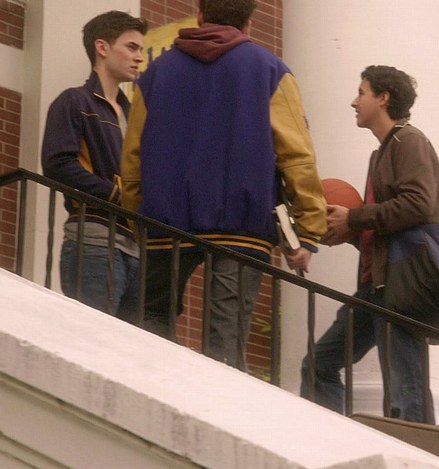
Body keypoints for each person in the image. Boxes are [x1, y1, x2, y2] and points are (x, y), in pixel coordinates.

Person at [120, 0, 326, 371]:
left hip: (164, 226)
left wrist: (139, 220)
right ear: (249, 21)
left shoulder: (154, 74)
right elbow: (296, 156)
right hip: (240, 229)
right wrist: (308, 230)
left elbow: (132, 160)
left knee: (151, 327)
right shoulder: (271, 70)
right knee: (226, 345)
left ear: (200, 14)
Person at [301, 65, 439, 424]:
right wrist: (349, 232)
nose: (354, 101)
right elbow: (388, 223)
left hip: (400, 287)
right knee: (319, 364)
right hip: (375, 287)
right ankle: (325, 440)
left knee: (406, 391)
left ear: (383, 97)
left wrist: (354, 217)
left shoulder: (410, 141)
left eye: (361, 92)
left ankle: (416, 451)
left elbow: (419, 205)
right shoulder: (381, 153)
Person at [41, 11, 147, 323]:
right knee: (90, 338)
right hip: (94, 240)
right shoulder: (74, 101)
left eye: (141, 49)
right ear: (102, 47)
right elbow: (58, 165)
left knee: (127, 350)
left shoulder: (134, 116)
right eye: (131, 47)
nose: (139, 57)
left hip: (136, 249)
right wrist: (117, 196)